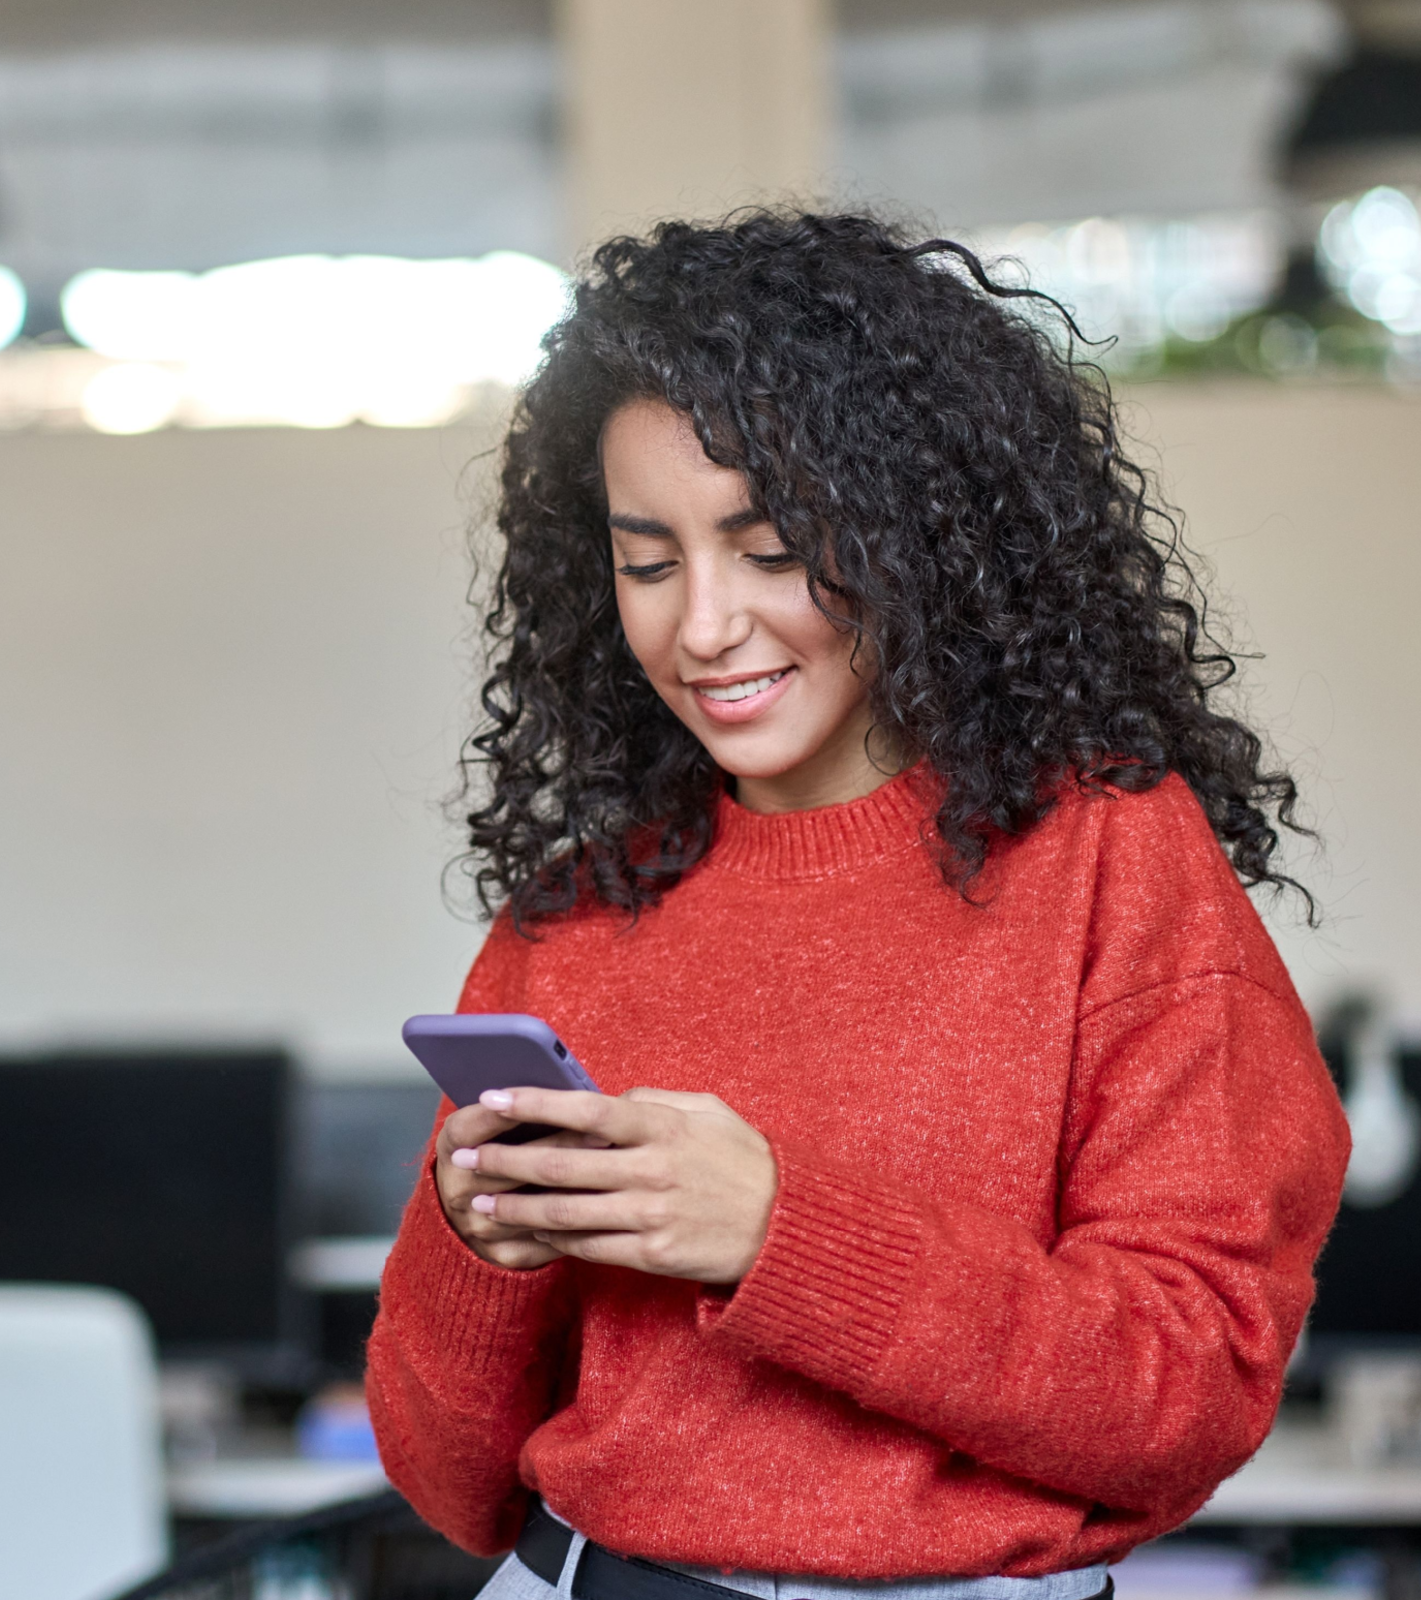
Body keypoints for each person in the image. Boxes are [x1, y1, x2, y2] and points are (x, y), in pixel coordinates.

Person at [363, 211, 1351, 1600]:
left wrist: (779, 1235)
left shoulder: (1111, 864)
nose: (700, 626)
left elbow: (1184, 1400)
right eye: (649, 562)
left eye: (770, 552)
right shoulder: (572, 921)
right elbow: (449, 1486)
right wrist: (480, 1251)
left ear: (922, 541)